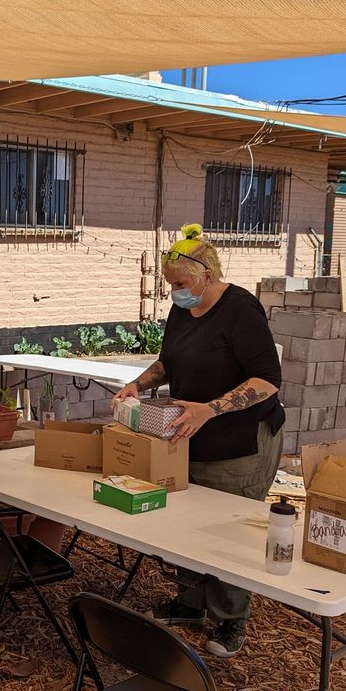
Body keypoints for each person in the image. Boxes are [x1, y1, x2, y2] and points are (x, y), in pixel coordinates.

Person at [114, 224, 284, 658]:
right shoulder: (181, 310)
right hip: (188, 438)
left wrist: (210, 408)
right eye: (170, 285)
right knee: (186, 525)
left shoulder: (240, 310)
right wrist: (138, 383)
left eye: (181, 284)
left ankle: (230, 620)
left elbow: (267, 381)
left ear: (207, 274)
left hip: (238, 442)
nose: (175, 292)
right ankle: (189, 604)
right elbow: (169, 362)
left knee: (229, 531)